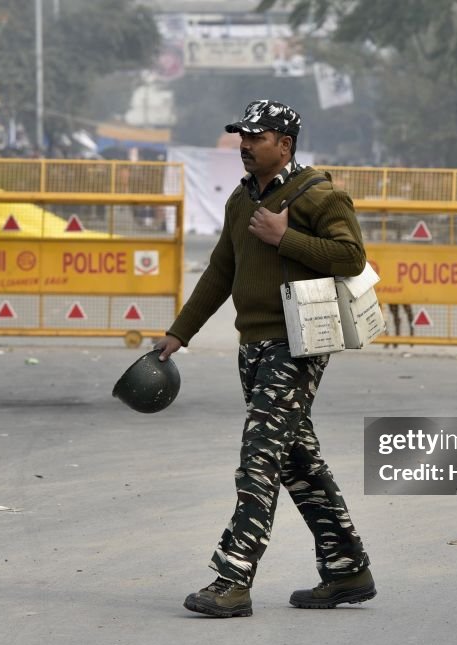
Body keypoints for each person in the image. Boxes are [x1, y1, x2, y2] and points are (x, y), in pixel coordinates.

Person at [155, 100, 375, 618]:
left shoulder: (321, 195)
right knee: (297, 461)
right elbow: (218, 274)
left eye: (256, 137)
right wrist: (178, 334)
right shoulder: (240, 200)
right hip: (252, 347)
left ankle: (233, 578)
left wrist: (286, 237)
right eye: (242, 136)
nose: (245, 145)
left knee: (259, 459)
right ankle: (347, 569)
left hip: (297, 346)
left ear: (286, 145)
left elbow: (352, 257)